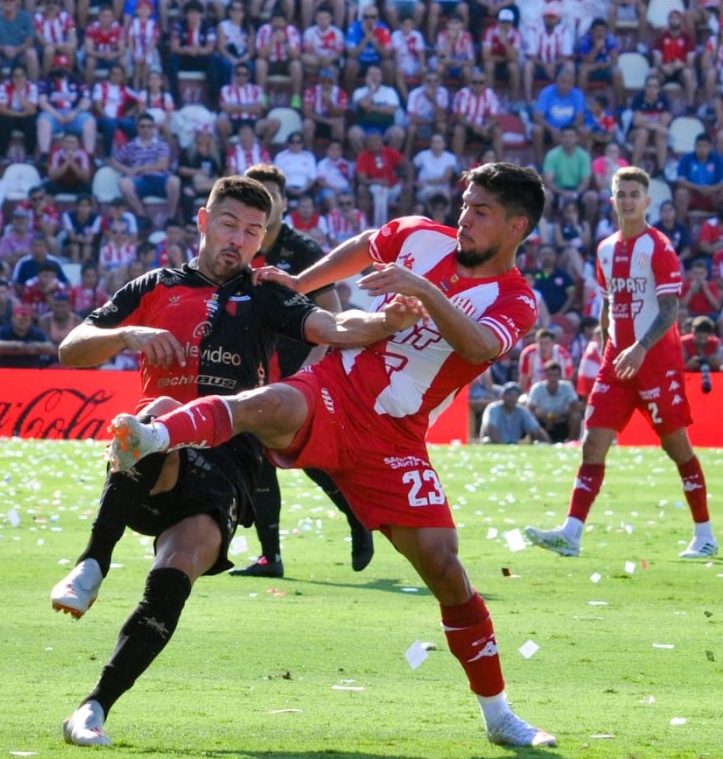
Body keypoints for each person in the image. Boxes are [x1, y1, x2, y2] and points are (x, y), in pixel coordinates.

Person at [104, 163, 558, 748]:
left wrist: (423, 290)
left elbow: (478, 345)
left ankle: (498, 716)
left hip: (396, 438)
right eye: (466, 205)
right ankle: (155, 436)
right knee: (269, 404)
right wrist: (298, 284)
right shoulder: (421, 235)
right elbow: (367, 245)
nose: (465, 219)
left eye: (482, 213)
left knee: (447, 571)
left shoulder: (517, 300)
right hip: (336, 387)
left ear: (517, 226)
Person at [51, 176, 423, 746]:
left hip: (227, 460)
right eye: (229, 225)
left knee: (180, 565)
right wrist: (129, 335)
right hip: (150, 458)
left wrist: (385, 324)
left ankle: (95, 705)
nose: (240, 240)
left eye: (253, 231)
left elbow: (333, 327)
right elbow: (72, 348)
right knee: (162, 410)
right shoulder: (155, 285)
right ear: (203, 221)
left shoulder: (266, 291)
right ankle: (93, 561)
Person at [526, 167, 717, 560]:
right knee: (593, 442)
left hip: (655, 361)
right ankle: (571, 533)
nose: (628, 200)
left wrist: (641, 348)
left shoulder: (659, 247)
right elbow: (609, 303)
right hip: (617, 360)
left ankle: (705, 535)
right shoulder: (605, 249)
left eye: (635, 194)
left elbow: (669, 311)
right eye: (621, 194)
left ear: (646, 201)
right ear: (612, 201)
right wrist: (604, 344)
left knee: (676, 446)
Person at [231, 164, 373, 578]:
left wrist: (314, 368)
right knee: (259, 457)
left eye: (271, 196)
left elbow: (333, 313)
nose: (264, 201)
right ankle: (270, 556)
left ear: (283, 203)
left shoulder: (302, 250)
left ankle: (355, 516)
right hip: (251, 365)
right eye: (256, 192)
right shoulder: (237, 245)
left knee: (304, 455)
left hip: (298, 368)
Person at [527, 361, 582, 442]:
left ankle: (571, 443)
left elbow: (575, 406)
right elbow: (530, 410)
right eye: (550, 375)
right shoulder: (536, 388)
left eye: (556, 375)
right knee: (530, 419)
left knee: (576, 417)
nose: (553, 379)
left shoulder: (567, 387)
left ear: (560, 376)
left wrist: (559, 415)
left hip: (562, 422)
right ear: (545, 376)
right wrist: (546, 417)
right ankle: (535, 442)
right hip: (542, 423)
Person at [480, 383, 549, 444]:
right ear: (503, 396)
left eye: (515, 396)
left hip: (513, 445)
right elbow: (490, 428)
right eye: (509, 395)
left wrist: (549, 443)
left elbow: (535, 429)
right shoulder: (493, 408)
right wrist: (501, 446)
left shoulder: (521, 410)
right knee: (487, 441)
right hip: (494, 444)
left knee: (537, 442)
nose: (512, 398)